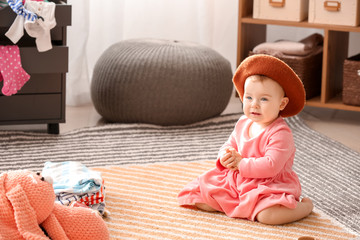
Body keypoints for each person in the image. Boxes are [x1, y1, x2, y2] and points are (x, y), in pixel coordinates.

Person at [177, 54, 314, 225]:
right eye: (249, 97)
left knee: (268, 216)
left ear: (282, 104)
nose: (254, 104)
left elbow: (271, 166)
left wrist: (241, 164)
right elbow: (230, 144)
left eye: (264, 99)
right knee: (200, 197)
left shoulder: (280, 133)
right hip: (239, 180)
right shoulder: (243, 122)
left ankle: (304, 207)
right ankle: (237, 204)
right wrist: (226, 156)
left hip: (269, 186)